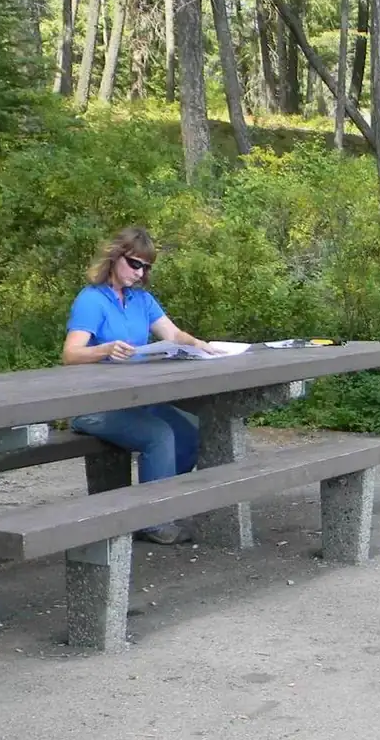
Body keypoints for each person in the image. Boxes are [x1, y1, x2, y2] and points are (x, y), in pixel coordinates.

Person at [61, 227, 219, 545]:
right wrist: (104, 350)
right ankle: (153, 521)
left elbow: (172, 335)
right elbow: (70, 354)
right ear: (115, 257)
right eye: (135, 264)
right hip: (95, 406)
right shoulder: (91, 299)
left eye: (146, 267)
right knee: (159, 436)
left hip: (136, 398)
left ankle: (151, 503)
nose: (140, 273)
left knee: (192, 433)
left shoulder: (141, 299)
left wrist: (199, 344)